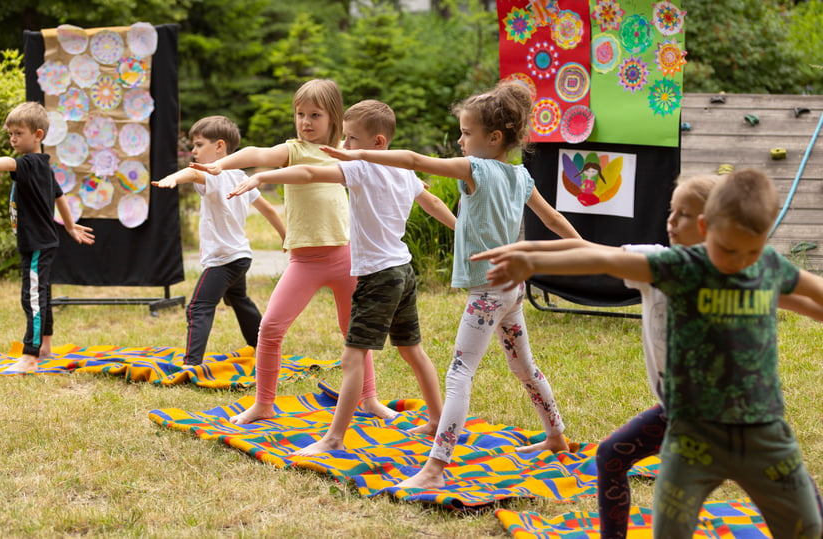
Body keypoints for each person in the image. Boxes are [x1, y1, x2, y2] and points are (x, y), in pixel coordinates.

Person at [477, 168, 823, 538]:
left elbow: (805, 293)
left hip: (761, 431)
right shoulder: (672, 266)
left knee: (806, 523)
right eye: (673, 212)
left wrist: (530, 255)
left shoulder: (760, 267)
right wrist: (530, 256)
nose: (671, 221)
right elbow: (601, 258)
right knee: (626, 473)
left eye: (749, 252)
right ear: (710, 227)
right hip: (690, 427)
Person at [320, 81, 581, 489]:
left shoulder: (476, 168)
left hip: (488, 293)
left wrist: (355, 153)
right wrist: (584, 247)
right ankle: (556, 437)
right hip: (511, 290)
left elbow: (410, 159)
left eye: (465, 133)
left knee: (460, 374)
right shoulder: (520, 176)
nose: (459, 140)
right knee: (523, 366)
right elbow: (553, 220)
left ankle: (435, 469)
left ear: (493, 138)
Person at [227, 99, 457, 455]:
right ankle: (438, 421)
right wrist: (463, 232)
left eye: (351, 139)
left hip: (378, 277)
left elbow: (307, 174)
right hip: (404, 271)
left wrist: (262, 176)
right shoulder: (404, 171)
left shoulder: (363, 168)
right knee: (413, 351)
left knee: (352, 359)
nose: (344, 147)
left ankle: (334, 438)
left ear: (378, 143)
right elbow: (433, 203)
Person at [189, 79, 395, 421]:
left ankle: (369, 398)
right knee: (270, 329)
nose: (306, 122)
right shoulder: (293, 150)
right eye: (300, 114)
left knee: (355, 333)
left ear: (334, 118)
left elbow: (381, 156)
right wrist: (220, 165)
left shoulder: (345, 151)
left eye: (315, 114)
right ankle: (264, 404)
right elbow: (258, 154)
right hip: (306, 261)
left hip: (346, 257)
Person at [152, 116, 286, 366]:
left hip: (223, 260)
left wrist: (173, 177)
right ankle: (265, 349)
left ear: (220, 146)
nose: (194, 150)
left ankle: (191, 365)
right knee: (240, 301)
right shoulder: (239, 176)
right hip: (240, 257)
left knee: (198, 307)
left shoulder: (216, 175)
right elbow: (269, 209)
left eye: (199, 145)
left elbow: (192, 173)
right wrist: (284, 236)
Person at [0, 101, 94, 373]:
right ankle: (45, 346)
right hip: (42, 241)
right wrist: (69, 226)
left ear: (38, 135)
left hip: (35, 243)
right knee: (40, 292)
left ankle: (30, 356)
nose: (12, 139)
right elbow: (60, 196)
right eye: (10, 134)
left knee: (31, 296)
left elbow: (9, 163)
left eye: (18, 133)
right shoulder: (43, 165)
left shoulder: (29, 162)